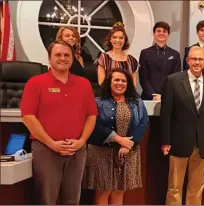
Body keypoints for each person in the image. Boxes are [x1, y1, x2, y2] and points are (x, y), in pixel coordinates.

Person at [20, 40, 98, 204]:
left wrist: (81, 141)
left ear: (72, 58)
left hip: (77, 150)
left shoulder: (83, 84)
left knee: (72, 200)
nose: (63, 58)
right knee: (47, 199)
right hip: (46, 149)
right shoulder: (35, 83)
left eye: (66, 55)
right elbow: (28, 116)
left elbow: (91, 115)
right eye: (58, 55)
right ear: (49, 58)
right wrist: (52, 143)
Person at [161, 46, 204, 205]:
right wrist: (165, 141)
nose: (197, 62)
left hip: (202, 144)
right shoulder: (173, 81)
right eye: (194, 58)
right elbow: (165, 114)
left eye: (200, 59)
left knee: (197, 187)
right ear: (187, 60)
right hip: (178, 142)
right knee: (175, 187)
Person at [82, 68, 148, 205]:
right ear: (109, 82)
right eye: (116, 80)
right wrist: (117, 139)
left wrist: (129, 143)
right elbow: (94, 125)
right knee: (103, 191)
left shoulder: (136, 102)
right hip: (102, 152)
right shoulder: (98, 102)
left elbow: (143, 123)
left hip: (128, 151)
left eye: (124, 80)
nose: (120, 83)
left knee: (119, 190)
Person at [139, 21, 182, 100]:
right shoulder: (145, 53)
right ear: (153, 34)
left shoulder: (175, 54)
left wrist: (165, 96)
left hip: (169, 97)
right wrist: (153, 95)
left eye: (164, 31)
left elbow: (176, 78)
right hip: (148, 97)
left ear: (168, 34)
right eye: (158, 31)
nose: (161, 33)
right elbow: (143, 77)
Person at [96, 22, 139, 87]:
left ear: (125, 40)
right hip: (108, 96)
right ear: (110, 39)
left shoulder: (132, 60)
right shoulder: (103, 58)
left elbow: (134, 85)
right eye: (115, 37)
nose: (118, 40)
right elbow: (101, 82)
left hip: (127, 96)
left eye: (121, 38)